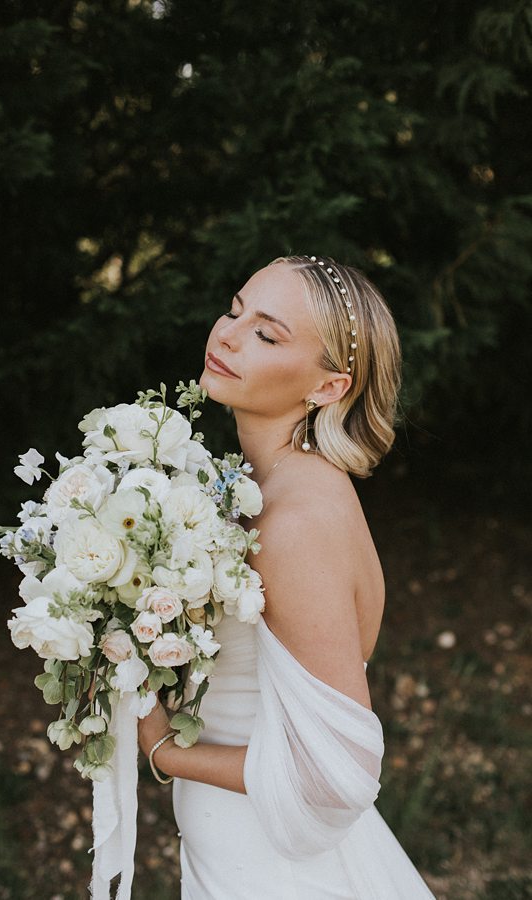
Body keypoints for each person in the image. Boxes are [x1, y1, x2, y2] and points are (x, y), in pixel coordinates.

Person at [137, 254, 436, 899]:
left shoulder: (295, 521)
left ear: (329, 387)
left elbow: (338, 777)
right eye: (235, 309)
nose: (228, 335)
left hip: (276, 868)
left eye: (268, 334)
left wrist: (165, 751)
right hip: (231, 837)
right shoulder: (257, 489)